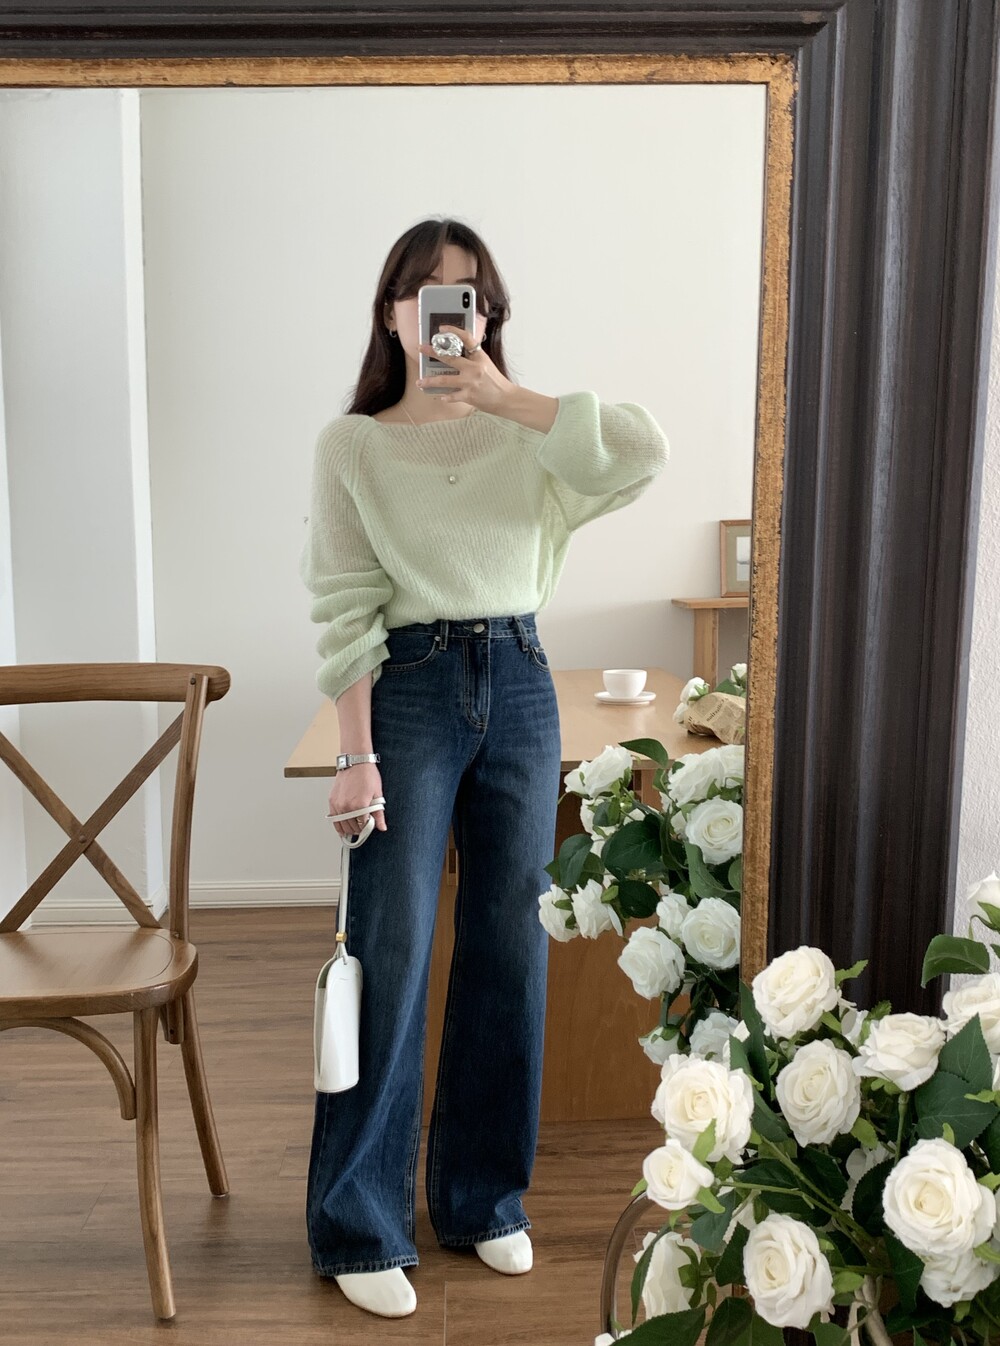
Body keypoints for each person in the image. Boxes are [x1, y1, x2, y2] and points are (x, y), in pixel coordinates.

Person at [299, 216, 669, 1319]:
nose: (445, 313)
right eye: (425, 292)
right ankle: (360, 1222)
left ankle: (481, 1199)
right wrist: (355, 754)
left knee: (511, 944)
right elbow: (345, 607)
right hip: (408, 687)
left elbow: (642, 451)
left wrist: (514, 399)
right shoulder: (352, 446)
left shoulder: (530, 438)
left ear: (490, 315)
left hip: (518, 680)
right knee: (393, 944)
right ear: (391, 314)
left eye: (468, 294)